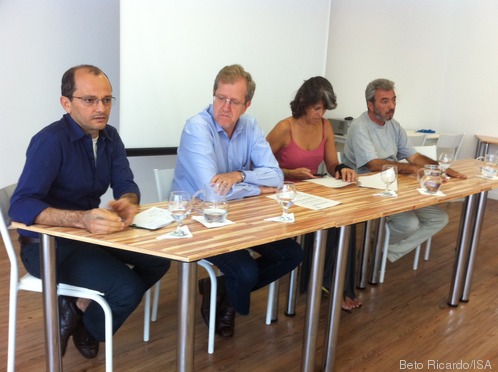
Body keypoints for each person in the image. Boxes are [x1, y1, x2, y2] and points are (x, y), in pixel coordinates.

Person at [9, 65, 170, 360]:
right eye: (90, 100)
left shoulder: (110, 137)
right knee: (126, 289)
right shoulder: (50, 141)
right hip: (47, 247)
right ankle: (89, 321)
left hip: (89, 238)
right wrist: (80, 219)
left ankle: (83, 316)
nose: (101, 108)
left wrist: (127, 201)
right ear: (66, 103)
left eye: (107, 100)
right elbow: (20, 205)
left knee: (159, 262)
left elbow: (126, 184)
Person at [172, 64, 303, 337]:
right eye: (221, 98)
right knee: (244, 271)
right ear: (213, 95)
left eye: (234, 102)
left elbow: (275, 176)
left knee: (291, 254)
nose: (225, 107)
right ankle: (230, 297)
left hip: (241, 217)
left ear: (247, 105)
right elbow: (211, 193)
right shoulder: (197, 127)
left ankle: (218, 289)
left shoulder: (250, 126)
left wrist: (239, 175)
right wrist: (256, 189)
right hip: (199, 220)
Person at [343, 78, 466, 262]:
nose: (391, 105)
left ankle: (384, 251)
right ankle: (376, 252)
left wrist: (441, 169)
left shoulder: (394, 125)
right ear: (370, 104)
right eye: (385, 101)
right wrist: (414, 170)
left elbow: (414, 157)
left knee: (439, 219)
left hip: (394, 187)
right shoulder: (360, 127)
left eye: (393, 100)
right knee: (409, 224)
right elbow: (374, 164)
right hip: (368, 188)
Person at [266, 76, 361, 311]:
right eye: (317, 108)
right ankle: (323, 282)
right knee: (327, 224)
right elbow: (258, 167)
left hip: (309, 192)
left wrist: (342, 169)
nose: (321, 114)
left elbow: (331, 164)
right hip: (281, 195)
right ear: (303, 102)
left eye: (325, 109)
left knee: (346, 222)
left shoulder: (325, 126)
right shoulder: (284, 128)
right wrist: (290, 171)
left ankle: (333, 284)